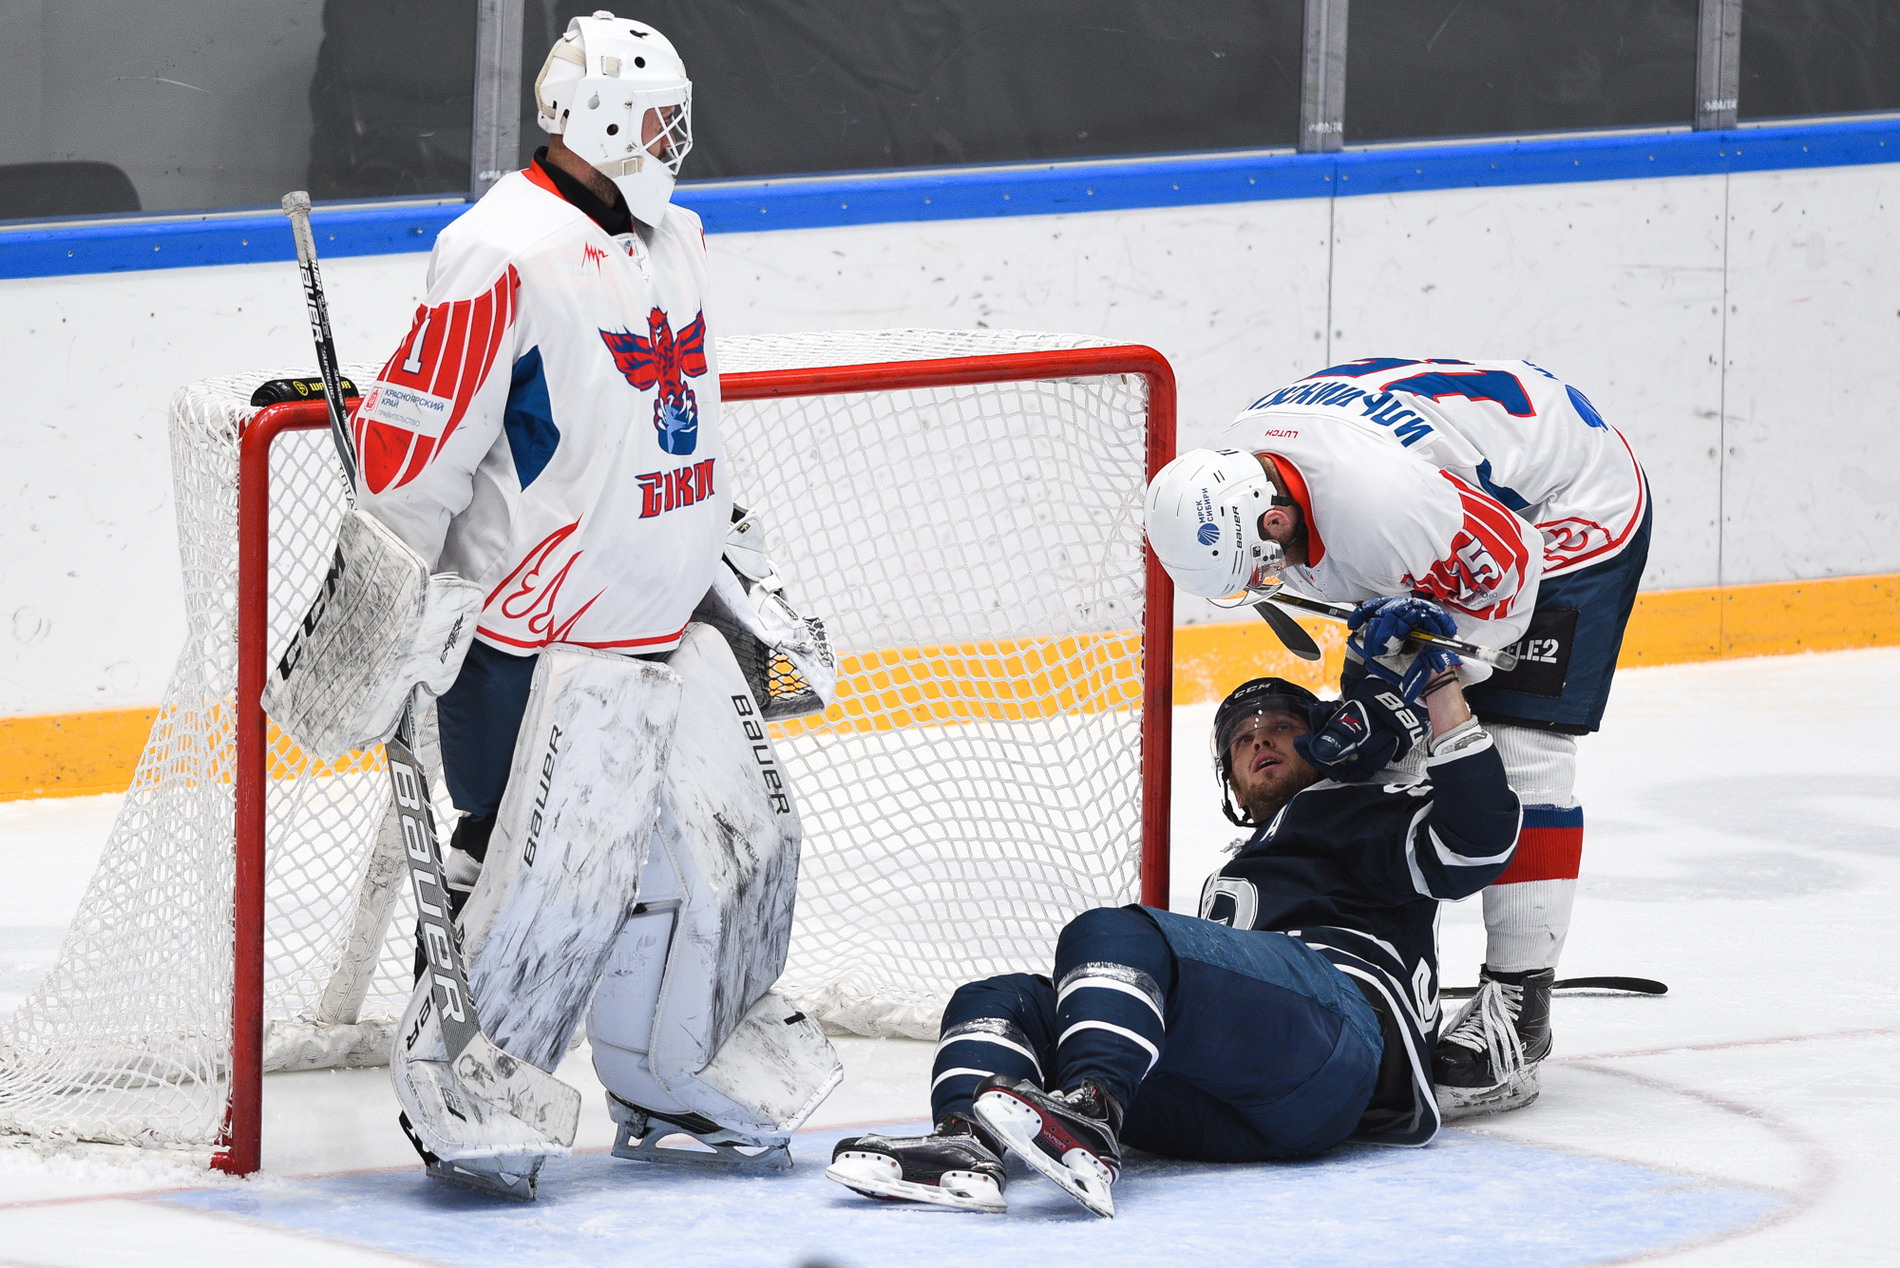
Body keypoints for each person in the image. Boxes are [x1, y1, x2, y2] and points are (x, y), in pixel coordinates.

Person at [331, 11, 838, 1198]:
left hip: (669, 624)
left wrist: (734, 561)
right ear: (598, 120)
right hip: (532, 643)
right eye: (659, 118)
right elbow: (415, 453)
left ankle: (663, 1077)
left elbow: (686, 419)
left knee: (720, 858)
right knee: (533, 871)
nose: (675, 138)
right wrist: (382, 598)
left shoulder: (678, 238)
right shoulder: (497, 249)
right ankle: (462, 1079)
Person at [825, 609, 1520, 1217]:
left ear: (1323, 745)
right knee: (998, 997)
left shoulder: (1355, 810)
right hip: (1237, 1107)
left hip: (1340, 1050)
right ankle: (965, 1147)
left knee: (1115, 933)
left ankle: (1090, 1114)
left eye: (1282, 727)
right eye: (1242, 739)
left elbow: (1477, 841)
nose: (1261, 742)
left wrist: (1440, 695)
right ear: (1231, 779)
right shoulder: (1245, 861)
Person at [1142, 357, 1649, 1118]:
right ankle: (1384, 959)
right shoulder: (1257, 478)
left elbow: (1506, 591)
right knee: (1387, 750)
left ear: (1274, 519)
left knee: (1518, 745)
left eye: (1265, 564)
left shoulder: (1382, 504)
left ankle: (1521, 1005)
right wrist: (1395, 702)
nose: (1274, 580)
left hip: (1564, 506)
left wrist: (1433, 686)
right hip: (1445, 501)